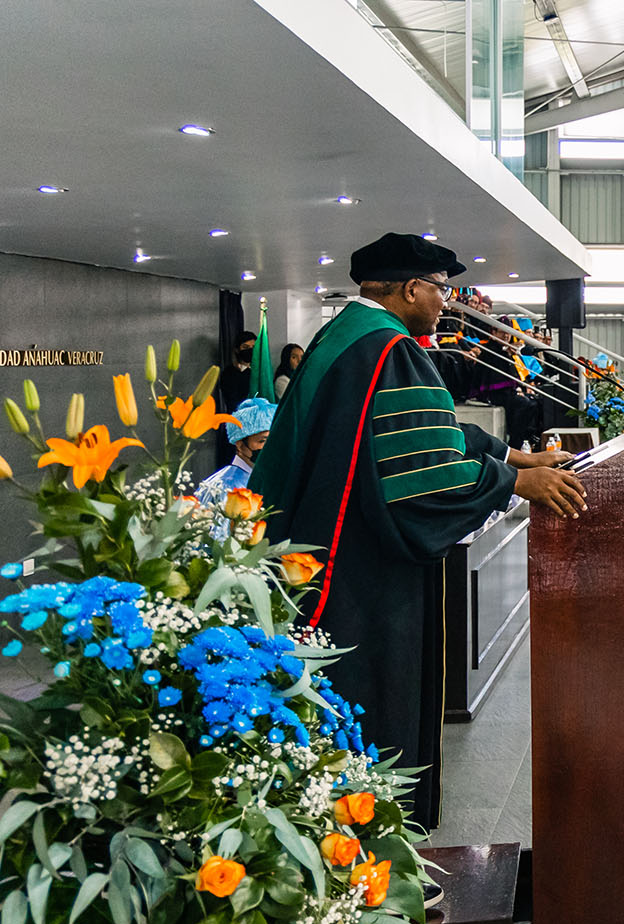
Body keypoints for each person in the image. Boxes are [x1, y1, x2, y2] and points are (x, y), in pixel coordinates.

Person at [251, 232, 585, 838]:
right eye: (441, 290)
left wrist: (512, 456)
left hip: (318, 546)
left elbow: (425, 429)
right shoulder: (390, 349)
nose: (445, 302)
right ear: (410, 288)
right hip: (362, 571)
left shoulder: (341, 339)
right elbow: (423, 476)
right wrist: (512, 483)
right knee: (368, 701)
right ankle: (369, 846)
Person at [194, 395, 276, 509]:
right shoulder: (228, 486)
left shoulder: (264, 477)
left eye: (274, 440)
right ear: (240, 445)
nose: (269, 447)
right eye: (262, 441)